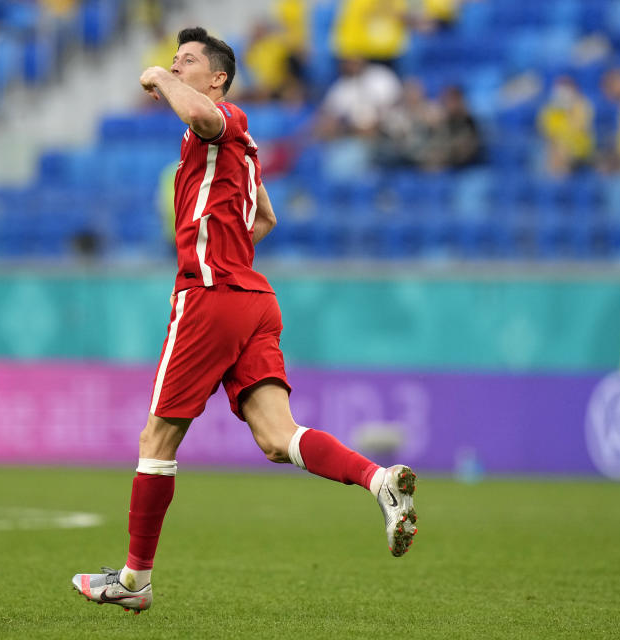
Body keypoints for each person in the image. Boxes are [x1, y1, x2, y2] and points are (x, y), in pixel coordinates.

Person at [71, 27, 418, 614]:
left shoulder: (223, 120)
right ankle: (379, 481)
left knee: (156, 440)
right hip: (255, 298)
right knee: (278, 439)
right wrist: (226, 243)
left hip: (210, 296)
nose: (174, 68)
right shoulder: (243, 151)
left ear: (218, 80)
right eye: (172, 62)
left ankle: (134, 580)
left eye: (187, 63)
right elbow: (266, 216)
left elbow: (206, 119)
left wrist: (156, 77)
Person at [537, 76, 595, 176]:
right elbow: (546, 131)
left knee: (562, 149)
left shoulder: (582, 106)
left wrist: (570, 111)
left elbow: (579, 129)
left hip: (580, 149)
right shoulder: (550, 109)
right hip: (555, 148)